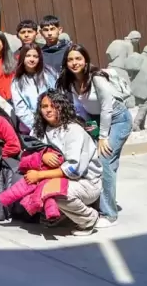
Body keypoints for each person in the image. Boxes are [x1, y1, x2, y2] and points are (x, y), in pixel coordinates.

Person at [56, 44, 131, 228]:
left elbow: (106, 107)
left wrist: (103, 136)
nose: (75, 63)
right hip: (94, 121)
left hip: (117, 119)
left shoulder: (96, 78)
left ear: (86, 60)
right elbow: (80, 108)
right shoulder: (69, 81)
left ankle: (109, 214)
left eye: (78, 59)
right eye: (70, 59)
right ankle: (97, 203)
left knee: (105, 160)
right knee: (92, 159)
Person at [29, 89, 103, 236]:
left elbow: (73, 170)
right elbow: (28, 149)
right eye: (44, 106)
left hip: (86, 183)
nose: (48, 110)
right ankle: (62, 215)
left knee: (55, 192)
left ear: (62, 106)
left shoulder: (73, 130)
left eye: (54, 105)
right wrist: (42, 156)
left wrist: (39, 175)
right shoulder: (40, 130)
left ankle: (88, 219)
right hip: (58, 178)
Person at [12, 43, 57, 134]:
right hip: (32, 128)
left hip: (54, 123)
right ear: (22, 57)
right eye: (28, 56)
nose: (32, 59)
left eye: (35, 56)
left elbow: (58, 96)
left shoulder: (49, 73)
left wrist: (53, 121)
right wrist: (38, 126)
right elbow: (20, 109)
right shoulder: (17, 82)